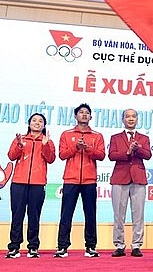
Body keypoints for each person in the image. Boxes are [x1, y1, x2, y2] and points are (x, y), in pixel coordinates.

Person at [54, 103, 106, 258]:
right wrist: (76, 147)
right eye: (81, 112)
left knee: (90, 214)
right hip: (71, 179)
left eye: (87, 113)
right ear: (75, 116)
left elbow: (101, 155)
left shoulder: (97, 136)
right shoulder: (66, 134)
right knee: (66, 214)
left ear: (91, 117)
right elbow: (62, 155)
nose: (84, 114)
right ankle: (62, 246)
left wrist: (87, 148)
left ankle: (91, 246)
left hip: (89, 180)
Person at [5, 113, 56, 259]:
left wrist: (45, 146)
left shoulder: (47, 141)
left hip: (38, 183)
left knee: (34, 216)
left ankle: (33, 247)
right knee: (17, 215)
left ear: (44, 126)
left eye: (40, 121)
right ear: (29, 123)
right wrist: (20, 145)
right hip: (18, 183)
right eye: (34, 120)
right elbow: (11, 156)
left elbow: (51, 159)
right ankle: (14, 247)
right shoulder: (20, 139)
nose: (37, 123)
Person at [108, 109, 152, 257]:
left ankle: (136, 245)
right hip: (119, 178)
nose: (131, 119)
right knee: (118, 215)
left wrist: (137, 149)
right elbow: (112, 155)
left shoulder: (143, 138)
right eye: (128, 116)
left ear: (137, 119)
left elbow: (148, 155)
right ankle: (119, 245)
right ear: (123, 120)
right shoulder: (115, 137)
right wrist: (127, 152)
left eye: (134, 116)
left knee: (138, 214)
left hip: (138, 178)